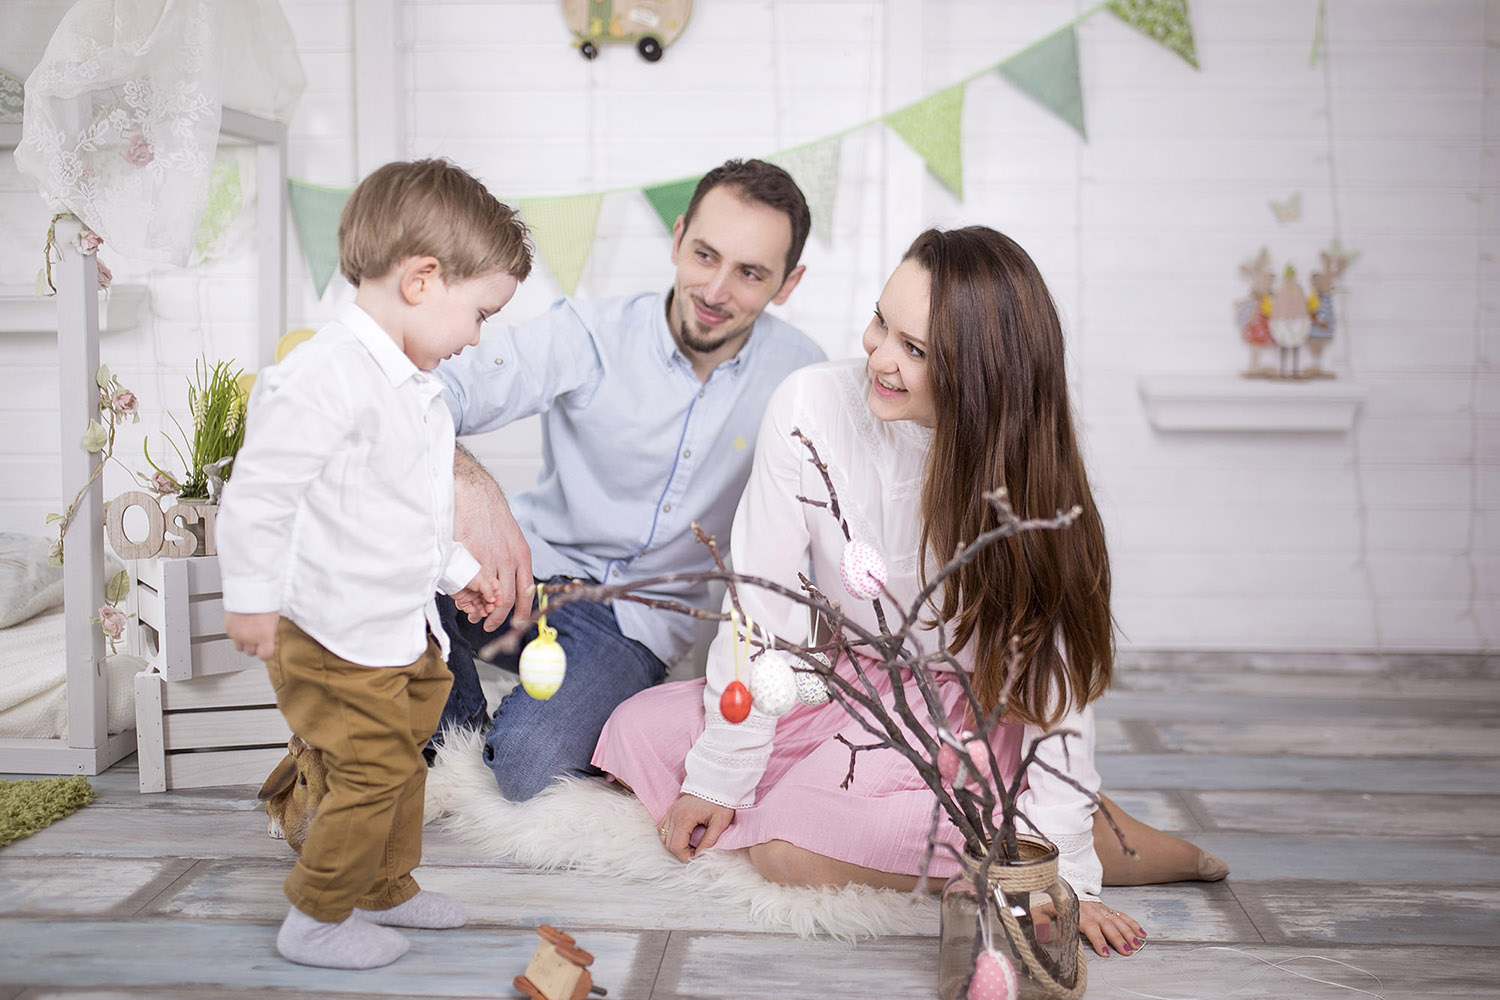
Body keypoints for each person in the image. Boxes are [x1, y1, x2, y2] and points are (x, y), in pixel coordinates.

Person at [593, 226, 1229, 960]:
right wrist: (723, 773)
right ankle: (1005, 815)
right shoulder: (808, 406)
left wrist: (1067, 877)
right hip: (851, 680)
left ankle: (1064, 834)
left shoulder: (1021, 483)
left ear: (983, 377)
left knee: (789, 850)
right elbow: (761, 609)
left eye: (915, 350)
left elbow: (1056, 693)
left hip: (964, 709)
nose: (879, 356)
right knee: (634, 734)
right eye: (880, 323)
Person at [218, 159, 532, 969]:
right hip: (332, 631)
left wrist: (459, 568)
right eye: (479, 314)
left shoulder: (411, 387)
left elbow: (406, 511)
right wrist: (251, 599)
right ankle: (316, 916)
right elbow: (259, 495)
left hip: (399, 628)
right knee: (369, 769)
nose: (475, 337)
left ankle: (386, 883)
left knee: (410, 753)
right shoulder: (325, 377)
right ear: (424, 280)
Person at [430, 158, 826, 800]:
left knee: (527, 765)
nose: (717, 289)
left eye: (750, 273)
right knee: (385, 572)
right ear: (676, 240)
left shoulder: (803, 380)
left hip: (631, 625)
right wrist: (473, 487)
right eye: (704, 254)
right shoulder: (588, 333)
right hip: (519, 574)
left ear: (788, 282)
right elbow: (430, 392)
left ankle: (497, 724)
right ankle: (454, 724)